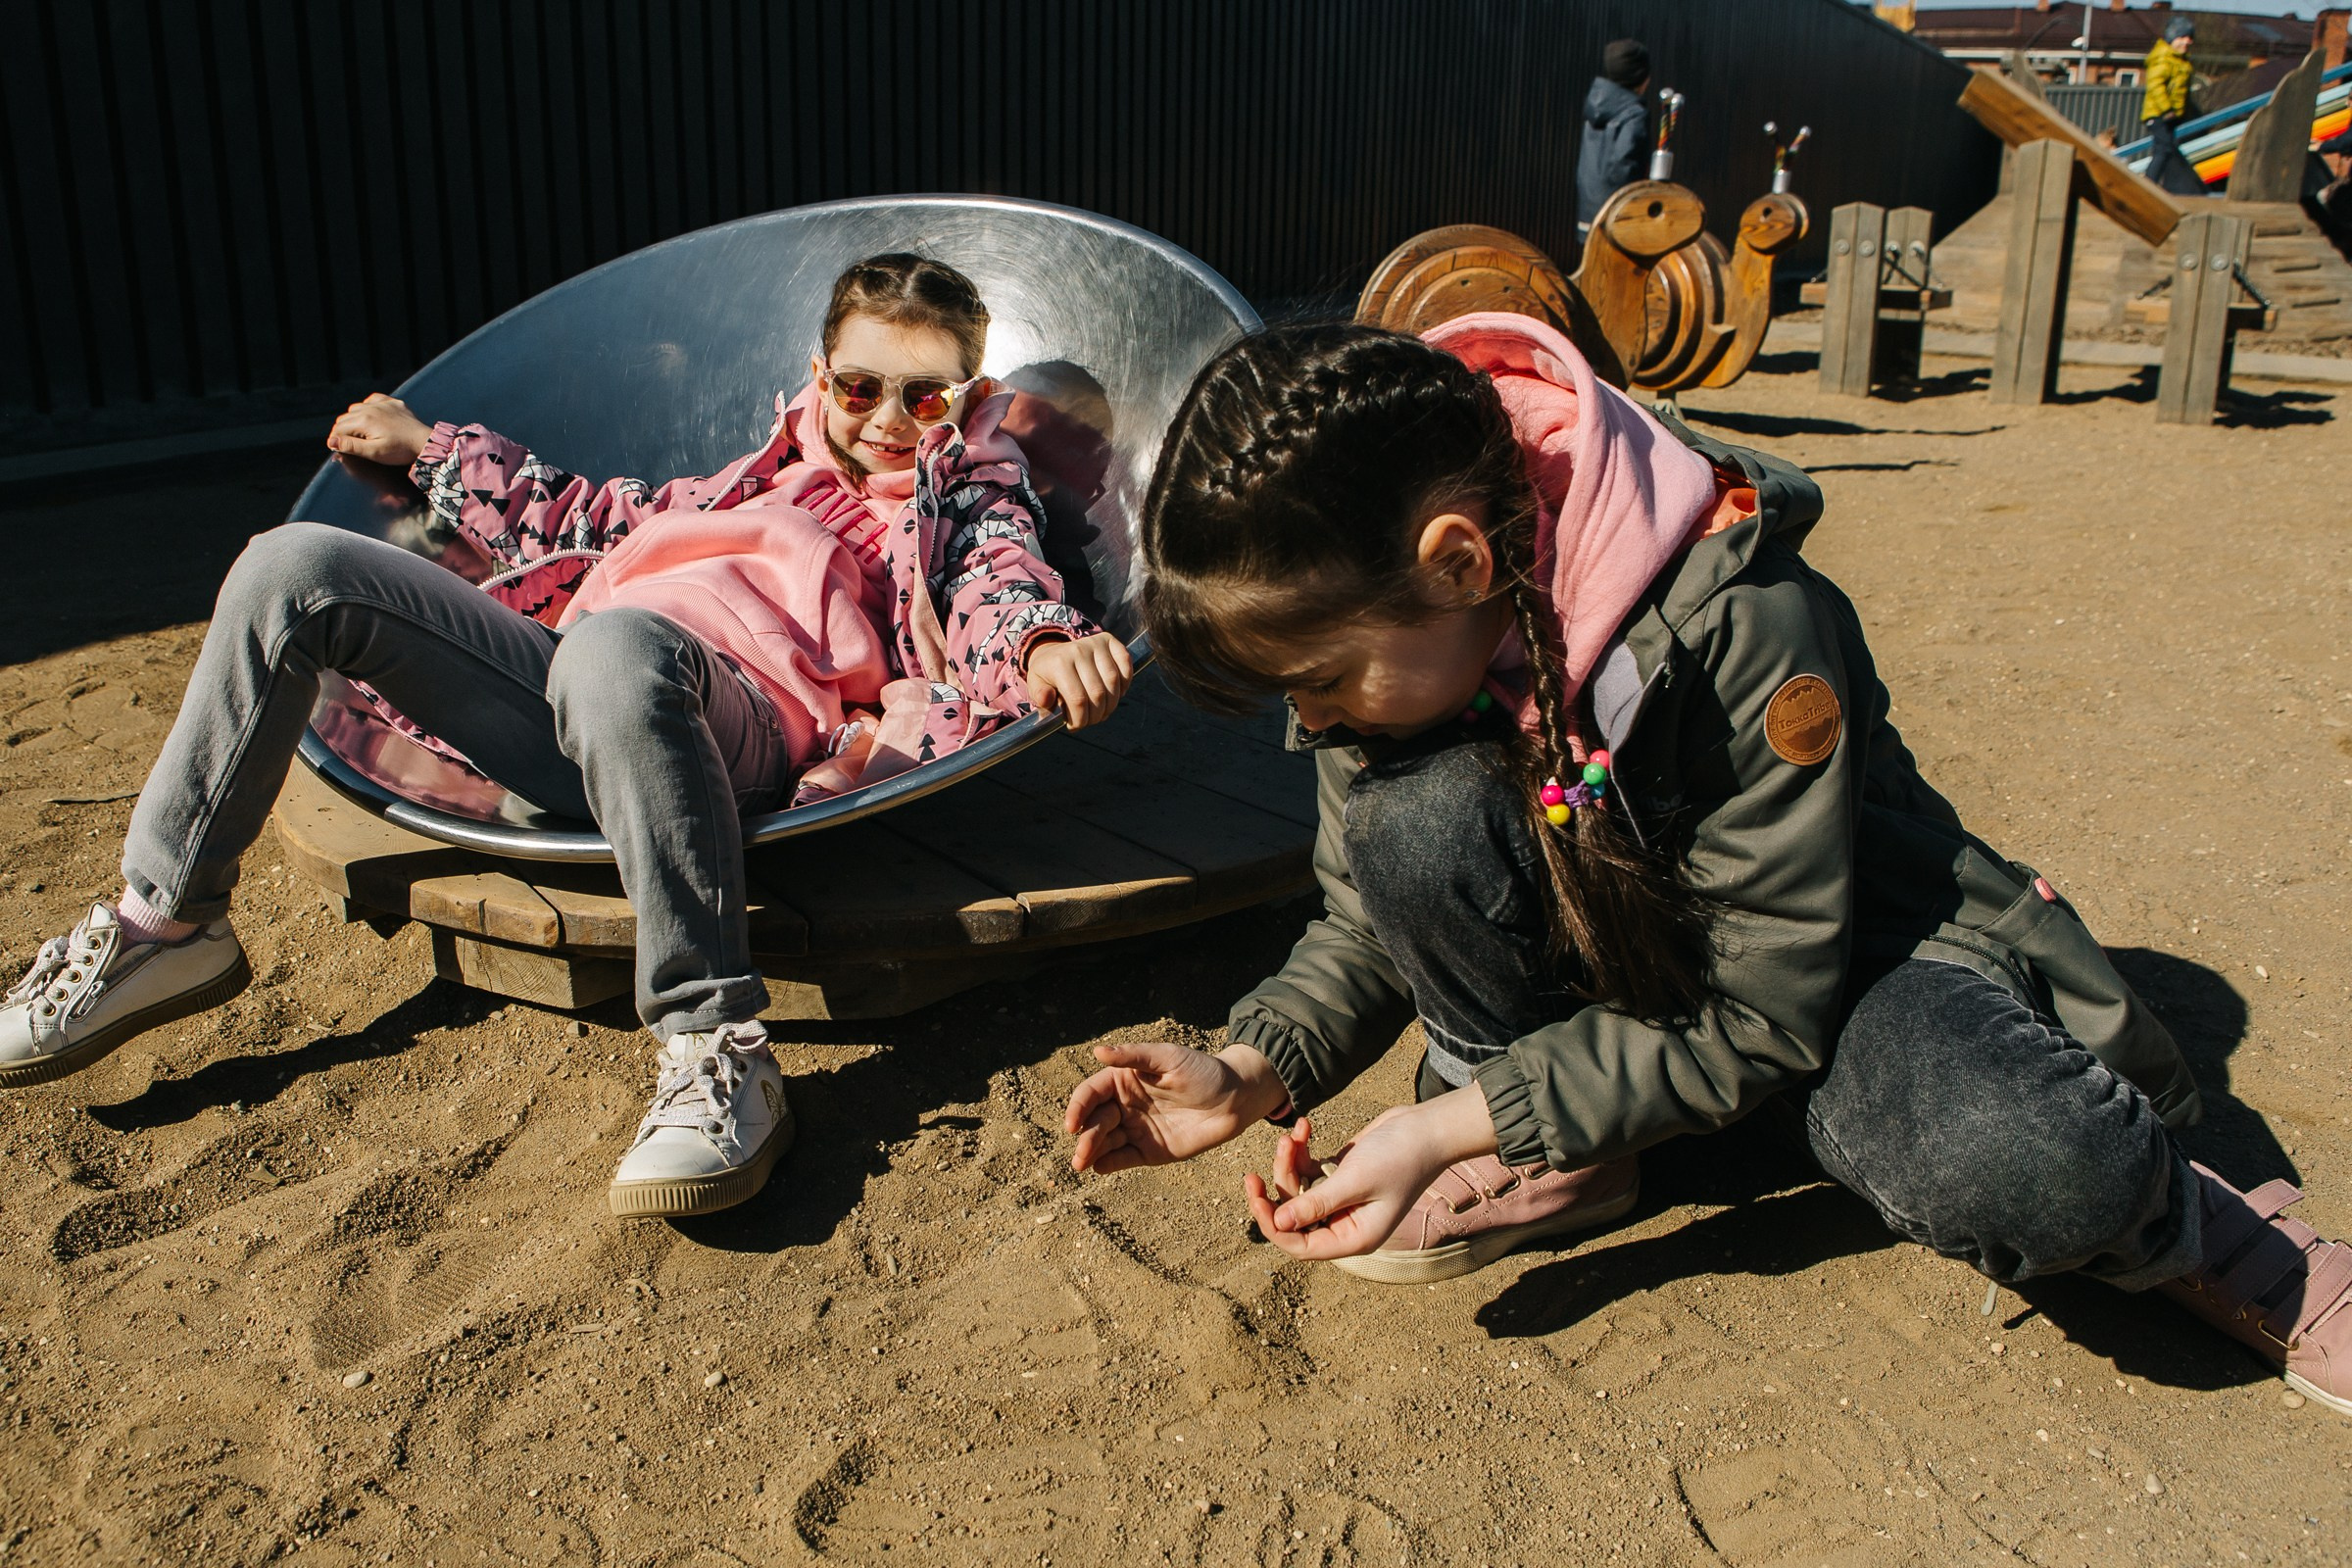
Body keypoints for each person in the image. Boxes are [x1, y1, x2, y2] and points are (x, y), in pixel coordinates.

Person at [1063, 315, 2352, 1413]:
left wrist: (1450, 1119)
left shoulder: (1733, 623)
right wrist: (1250, 1065)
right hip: (1637, 994)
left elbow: (1765, 1008)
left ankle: (2192, 1230)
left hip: (1836, 980)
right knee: (1409, 820)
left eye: (1327, 682)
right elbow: (1366, 910)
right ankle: (1575, 1148)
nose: (1321, 722)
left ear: (1457, 560)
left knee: (2035, 1162)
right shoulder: (1407, 637)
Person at [2, 254, 1134, 1221]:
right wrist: (429, 445)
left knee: (622, 648)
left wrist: (1038, 642)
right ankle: (167, 922)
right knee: (285, 567)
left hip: (726, 714)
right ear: (817, 377)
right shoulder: (747, 481)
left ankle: (716, 1046)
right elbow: (579, 510)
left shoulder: (958, 502)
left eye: (925, 399)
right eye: (861, 385)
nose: (889, 419)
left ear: (968, 400)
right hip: (566, 695)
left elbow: (997, 581)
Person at [1577, 38, 1651, 227]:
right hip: (1618, 219)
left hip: (1588, 213)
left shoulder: (1596, 107)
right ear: (1641, 77)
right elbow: (1624, 167)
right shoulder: (1634, 114)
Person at [2140, 17, 2207, 197]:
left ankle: (2169, 184)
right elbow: (2156, 86)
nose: (2188, 42)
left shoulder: (2180, 60)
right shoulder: (2164, 59)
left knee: (2166, 149)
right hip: (2160, 114)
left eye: (2190, 38)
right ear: (2173, 38)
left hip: (2171, 114)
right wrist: (2167, 109)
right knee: (2164, 150)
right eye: (2184, 37)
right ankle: (2149, 183)